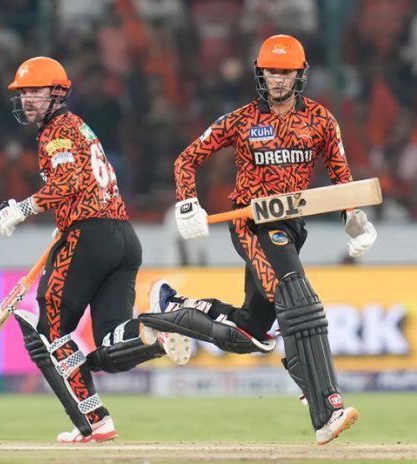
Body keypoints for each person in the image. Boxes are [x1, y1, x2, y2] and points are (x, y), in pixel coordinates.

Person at [139, 35, 378, 445]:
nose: (278, 80)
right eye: (271, 71)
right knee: (297, 300)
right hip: (252, 224)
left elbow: (341, 177)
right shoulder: (241, 119)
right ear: (260, 73)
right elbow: (187, 159)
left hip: (291, 228)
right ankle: (324, 408)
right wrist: (186, 204)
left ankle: (169, 307)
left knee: (250, 334)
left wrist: (353, 216)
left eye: (285, 72)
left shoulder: (321, 121)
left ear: (300, 74)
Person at [0, 56, 191, 443]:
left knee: (51, 329)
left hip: (89, 235)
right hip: (122, 237)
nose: (28, 100)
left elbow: (70, 181)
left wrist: (22, 209)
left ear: (57, 93)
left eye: (35, 91)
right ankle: (158, 331)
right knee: (114, 339)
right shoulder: (80, 127)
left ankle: (95, 421)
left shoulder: (58, 132)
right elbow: (86, 183)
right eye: (24, 93)